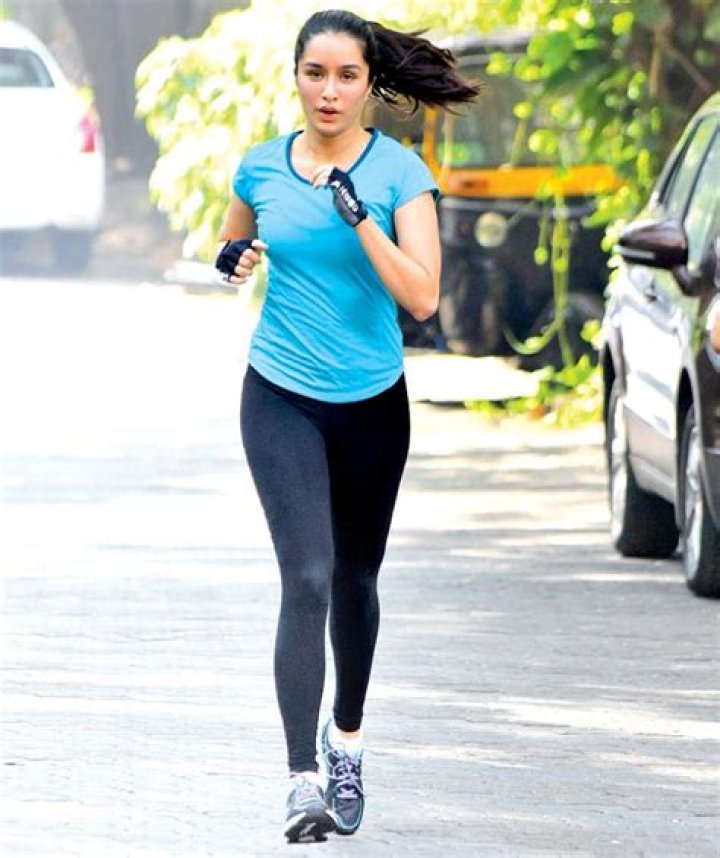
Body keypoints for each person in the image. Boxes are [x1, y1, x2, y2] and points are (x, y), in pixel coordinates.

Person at [216, 9, 480, 844]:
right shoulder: (261, 166)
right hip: (280, 395)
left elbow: (423, 297)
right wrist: (232, 260)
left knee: (357, 583)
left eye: (346, 76)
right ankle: (301, 779)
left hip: (371, 402)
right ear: (296, 77)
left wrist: (359, 216)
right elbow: (232, 244)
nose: (328, 91)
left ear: (369, 85)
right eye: (314, 74)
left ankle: (348, 742)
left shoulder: (401, 174)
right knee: (308, 577)